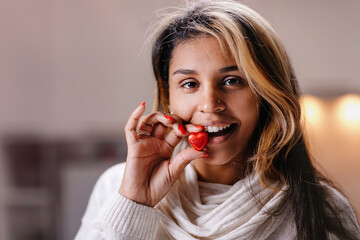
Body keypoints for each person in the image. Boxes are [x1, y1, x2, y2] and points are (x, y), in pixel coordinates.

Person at [75, 0, 360, 239]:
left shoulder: (322, 209)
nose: (210, 105)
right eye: (189, 84)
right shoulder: (116, 187)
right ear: (167, 93)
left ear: (266, 90)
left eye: (233, 80)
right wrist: (134, 203)